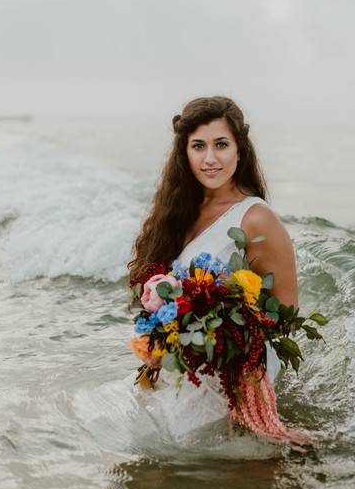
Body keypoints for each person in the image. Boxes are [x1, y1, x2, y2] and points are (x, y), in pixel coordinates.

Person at [127, 95, 302, 443]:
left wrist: (213, 328)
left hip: (231, 377)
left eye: (221, 144)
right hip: (178, 370)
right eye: (198, 146)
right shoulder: (178, 213)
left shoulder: (255, 218)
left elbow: (286, 315)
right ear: (185, 153)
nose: (210, 158)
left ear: (240, 150)